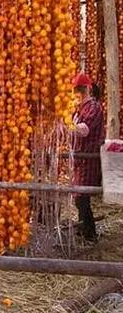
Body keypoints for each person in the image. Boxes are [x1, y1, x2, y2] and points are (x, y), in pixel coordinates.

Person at [70, 73, 105, 242]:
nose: (76, 94)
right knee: (79, 196)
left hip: (89, 159)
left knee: (82, 196)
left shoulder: (93, 107)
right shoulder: (81, 107)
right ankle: (84, 227)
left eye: (78, 90)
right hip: (81, 159)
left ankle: (90, 234)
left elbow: (84, 130)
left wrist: (69, 124)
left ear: (85, 90)